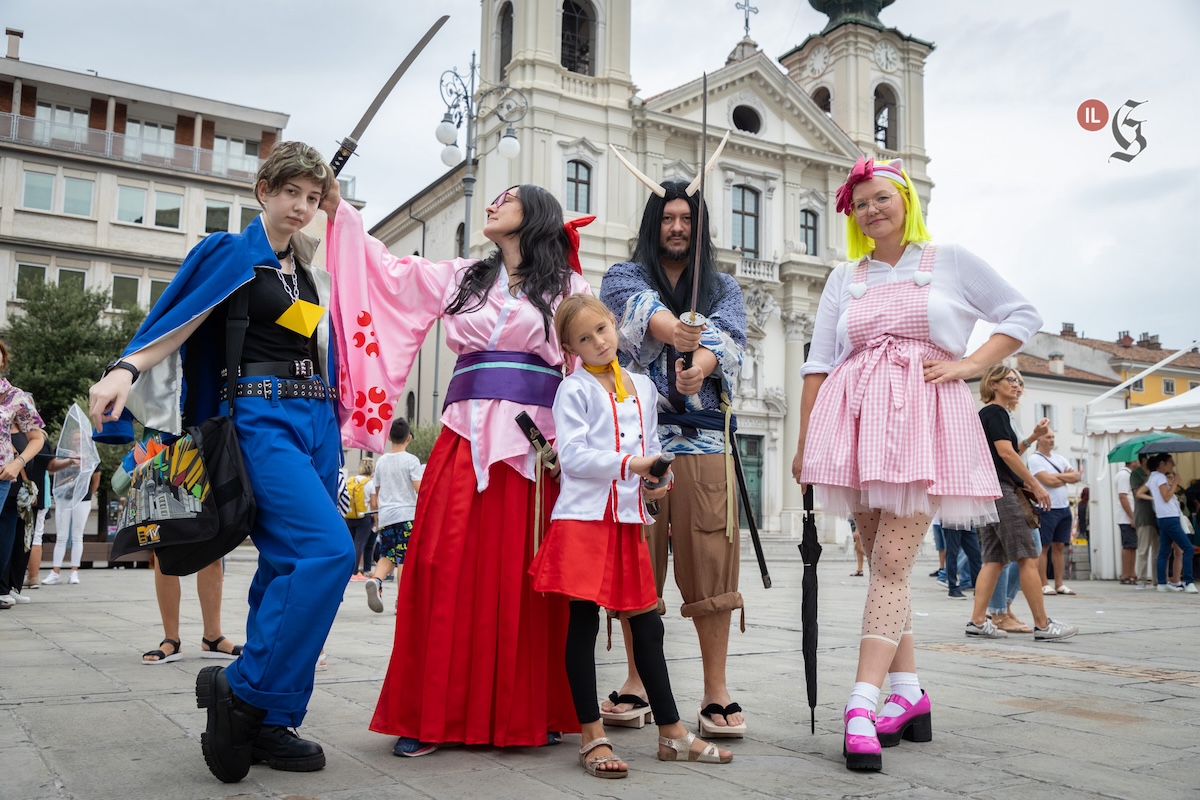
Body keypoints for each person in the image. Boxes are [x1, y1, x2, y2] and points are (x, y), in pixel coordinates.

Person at [90, 141, 352, 782]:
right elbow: (179, 314)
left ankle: (271, 716)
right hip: (259, 416)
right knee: (328, 552)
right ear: (263, 189)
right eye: (290, 192)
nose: (301, 206)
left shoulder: (305, 269)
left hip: (317, 419)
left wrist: (332, 210)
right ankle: (241, 688)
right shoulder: (231, 252)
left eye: (312, 198)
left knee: (287, 566)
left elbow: (331, 330)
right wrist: (126, 366)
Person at [792, 156, 1045, 771]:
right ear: (851, 214)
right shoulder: (843, 276)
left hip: (923, 426)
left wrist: (966, 365)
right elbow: (819, 362)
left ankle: (860, 702)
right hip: (857, 427)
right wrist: (807, 443)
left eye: (883, 197)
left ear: (905, 199)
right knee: (889, 567)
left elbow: (1021, 315)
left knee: (889, 563)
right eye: (862, 202)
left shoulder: (947, 260)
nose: (872, 208)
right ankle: (908, 695)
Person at [325, 182, 591, 755]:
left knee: (524, 577)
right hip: (461, 436)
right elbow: (388, 272)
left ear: (536, 215)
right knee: (439, 565)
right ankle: (431, 714)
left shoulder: (569, 287)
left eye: (508, 198)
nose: (493, 204)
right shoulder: (463, 275)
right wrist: (338, 209)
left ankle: (530, 709)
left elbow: (589, 362)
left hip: (532, 446)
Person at [529, 294, 733, 778]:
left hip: (627, 519)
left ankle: (673, 734)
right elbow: (573, 458)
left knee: (648, 625)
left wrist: (657, 478)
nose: (598, 341)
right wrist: (631, 465)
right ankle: (592, 736)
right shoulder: (572, 390)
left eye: (602, 329)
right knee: (581, 624)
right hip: (582, 521)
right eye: (584, 338)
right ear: (569, 347)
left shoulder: (642, 385)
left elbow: (652, 446)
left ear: (616, 325)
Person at [599, 178, 748, 739]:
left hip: (707, 441)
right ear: (653, 225)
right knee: (638, 565)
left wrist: (703, 364)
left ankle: (717, 689)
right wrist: (678, 332)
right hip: (639, 442)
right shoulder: (624, 276)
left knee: (711, 563)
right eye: (667, 218)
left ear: (699, 225)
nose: (677, 227)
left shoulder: (724, 286)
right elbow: (640, 314)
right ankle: (637, 680)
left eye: (686, 218)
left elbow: (734, 339)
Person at [967, 365, 1077, 644]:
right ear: (993, 384)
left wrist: (1031, 438)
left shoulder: (990, 414)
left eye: (1019, 382)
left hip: (990, 491)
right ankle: (1043, 625)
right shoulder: (996, 412)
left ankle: (978, 621)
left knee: (994, 559)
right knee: (1028, 556)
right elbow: (1005, 453)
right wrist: (1036, 484)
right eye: (1011, 380)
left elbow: (1008, 452)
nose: (1017, 386)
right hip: (1003, 492)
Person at [0, 341, 48, 610]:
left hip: (2, 474)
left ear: (3, 360)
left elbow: (36, 438)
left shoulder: (15, 397)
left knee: (6, 531)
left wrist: (18, 464)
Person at [365, 418, 423, 613]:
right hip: (406, 515)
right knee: (404, 559)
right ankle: (402, 601)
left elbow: (377, 493)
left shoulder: (381, 461)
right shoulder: (411, 460)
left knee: (388, 554)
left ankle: (376, 579)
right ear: (409, 438)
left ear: (389, 437)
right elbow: (419, 489)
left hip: (387, 516)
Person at [1028, 431, 1080, 596]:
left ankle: (1059, 583)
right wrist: (1064, 477)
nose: (1051, 440)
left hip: (1064, 508)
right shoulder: (1035, 459)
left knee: (1059, 546)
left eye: (1052, 437)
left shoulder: (1059, 458)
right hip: (1046, 508)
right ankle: (1044, 583)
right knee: (1044, 546)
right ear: (1039, 440)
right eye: (1048, 437)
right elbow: (1046, 481)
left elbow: (1076, 476)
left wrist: (1056, 476)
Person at [42, 446, 100, 586]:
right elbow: (55, 471)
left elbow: (96, 479)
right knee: (61, 535)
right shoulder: (62, 453)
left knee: (77, 535)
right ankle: (55, 572)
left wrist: (87, 494)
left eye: (78, 438)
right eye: (73, 439)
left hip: (82, 499)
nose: (76, 441)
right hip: (64, 498)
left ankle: (74, 571)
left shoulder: (90, 455)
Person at [1139, 454, 1196, 593]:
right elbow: (1166, 497)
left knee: (1164, 551)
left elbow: (1141, 492)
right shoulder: (1160, 477)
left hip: (1163, 517)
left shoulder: (1152, 477)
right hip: (1169, 517)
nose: (1173, 466)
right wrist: (1175, 482)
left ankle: (1162, 583)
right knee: (1188, 548)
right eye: (1171, 463)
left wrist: (1154, 498)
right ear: (1162, 463)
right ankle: (1189, 582)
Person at [344, 458, 376, 580]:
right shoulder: (370, 483)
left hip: (349, 515)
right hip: (364, 517)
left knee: (351, 544)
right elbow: (373, 503)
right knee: (359, 544)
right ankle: (354, 571)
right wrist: (376, 519)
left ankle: (347, 569)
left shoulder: (351, 480)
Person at [1129, 453, 1159, 588]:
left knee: (1157, 550)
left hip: (1157, 515)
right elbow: (1137, 493)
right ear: (1143, 460)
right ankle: (1141, 578)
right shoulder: (1136, 474)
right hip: (1143, 515)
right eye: (1149, 457)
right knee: (1143, 549)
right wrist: (1149, 478)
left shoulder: (1156, 474)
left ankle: (1157, 579)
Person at [1115, 461, 1138, 584]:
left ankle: (1132, 573)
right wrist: (1132, 516)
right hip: (1126, 517)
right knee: (1128, 545)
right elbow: (1123, 496)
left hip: (1130, 516)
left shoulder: (1129, 474)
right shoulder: (1124, 475)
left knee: (1133, 545)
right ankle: (1126, 574)